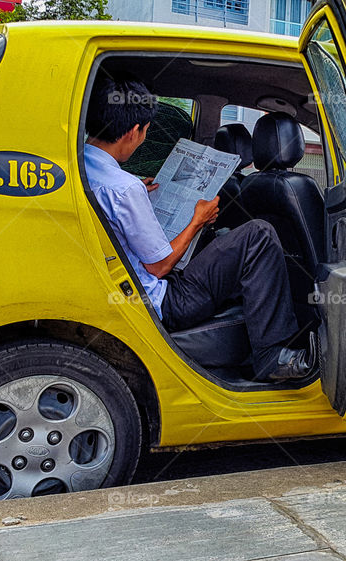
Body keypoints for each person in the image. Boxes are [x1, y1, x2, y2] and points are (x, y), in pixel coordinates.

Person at [84, 75, 314, 381]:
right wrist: (197, 221)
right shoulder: (124, 189)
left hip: (115, 287)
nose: (142, 141)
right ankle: (272, 355)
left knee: (224, 241)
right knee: (258, 234)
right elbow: (160, 266)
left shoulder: (82, 170)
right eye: (144, 134)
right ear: (133, 131)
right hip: (163, 301)